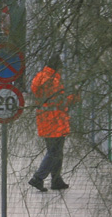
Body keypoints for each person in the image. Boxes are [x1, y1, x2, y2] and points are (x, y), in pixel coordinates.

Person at [29, 55, 75, 192]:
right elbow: (59, 101)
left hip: (46, 120)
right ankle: (38, 178)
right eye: (61, 69)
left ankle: (56, 180)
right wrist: (74, 97)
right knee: (54, 152)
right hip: (55, 121)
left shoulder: (41, 77)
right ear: (57, 67)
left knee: (56, 152)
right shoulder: (52, 81)